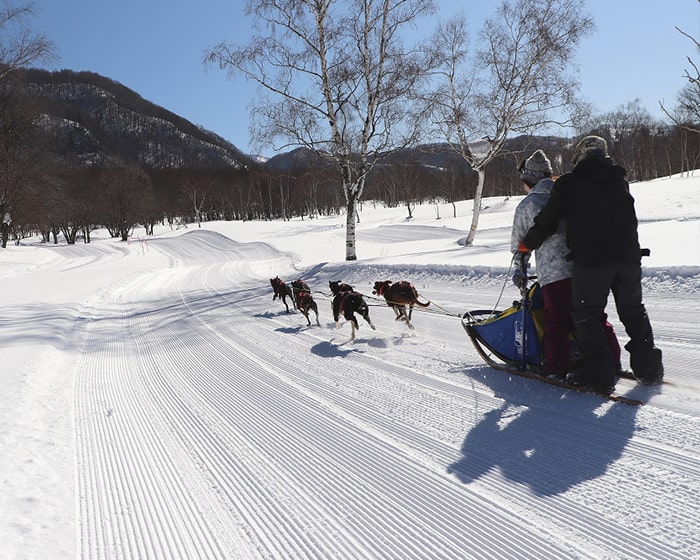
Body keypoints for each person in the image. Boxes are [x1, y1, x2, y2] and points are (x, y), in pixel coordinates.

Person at [521, 136, 663, 393]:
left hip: (593, 262)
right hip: (629, 258)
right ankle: (650, 368)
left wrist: (527, 243)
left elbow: (547, 220)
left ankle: (600, 374)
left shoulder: (569, 183)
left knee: (586, 315)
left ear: (579, 156)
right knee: (633, 311)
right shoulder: (620, 181)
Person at [511, 149, 620, 379]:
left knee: (556, 320)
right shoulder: (572, 193)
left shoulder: (527, 205)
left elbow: (521, 246)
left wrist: (520, 272)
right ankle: (612, 359)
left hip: (554, 273)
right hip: (583, 267)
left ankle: (557, 366)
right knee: (594, 316)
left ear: (529, 179)